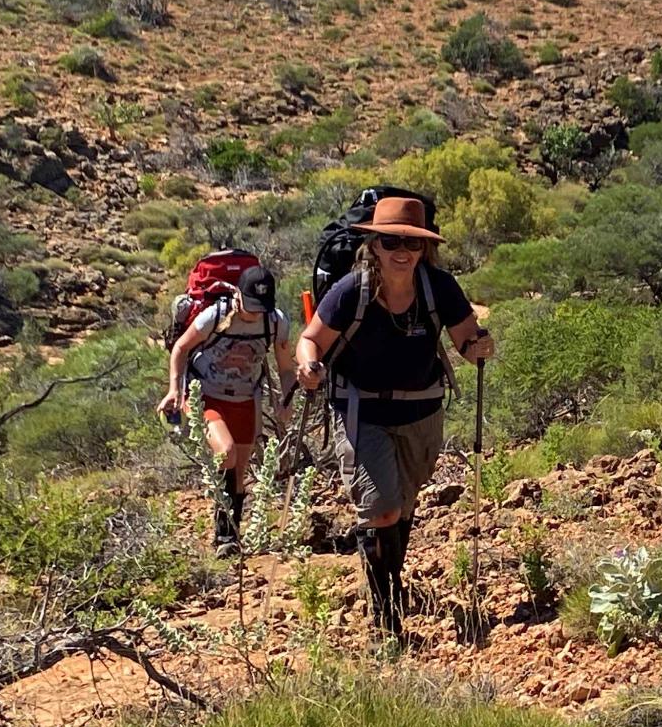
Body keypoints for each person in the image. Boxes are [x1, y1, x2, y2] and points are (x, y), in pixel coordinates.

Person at [295, 197, 493, 636]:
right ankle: (386, 615)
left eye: (412, 243)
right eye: (391, 241)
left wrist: (479, 346)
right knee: (381, 507)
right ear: (375, 245)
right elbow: (310, 340)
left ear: (425, 249)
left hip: (422, 409)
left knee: (402, 504)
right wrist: (308, 366)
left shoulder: (438, 287)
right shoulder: (352, 291)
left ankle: (390, 581)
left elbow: (466, 339)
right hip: (362, 410)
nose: (402, 251)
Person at [158, 266, 295, 556]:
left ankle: (230, 536)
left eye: (262, 307)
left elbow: (285, 367)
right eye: (251, 306)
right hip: (205, 396)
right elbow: (181, 349)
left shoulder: (275, 322)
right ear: (238, 296)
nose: (256, 313)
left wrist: (286, 398)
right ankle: (223, 535)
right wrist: (174, 390)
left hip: (246, 399)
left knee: (240, 470)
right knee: (227, 453)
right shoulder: (215, 317)